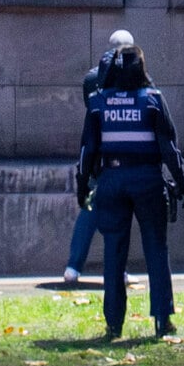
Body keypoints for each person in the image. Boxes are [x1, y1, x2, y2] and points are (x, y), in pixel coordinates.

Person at [77, 44, 184, 339]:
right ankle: (162, 320)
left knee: (113, 252)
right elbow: (169, 146)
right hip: (148, 178)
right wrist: (180, 181)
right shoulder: (152, 99)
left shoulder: (98, 101)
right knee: (156, 248)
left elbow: (87, 149)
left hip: (111, 180)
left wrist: (83, 183)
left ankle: (113, 324)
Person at [63, 29, 139, 287]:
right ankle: (117, 270)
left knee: (91, 211)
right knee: (119, 215)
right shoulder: (133, 76)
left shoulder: (91, 78)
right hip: (123, 152)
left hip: (97, 152)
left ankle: (73, 266)